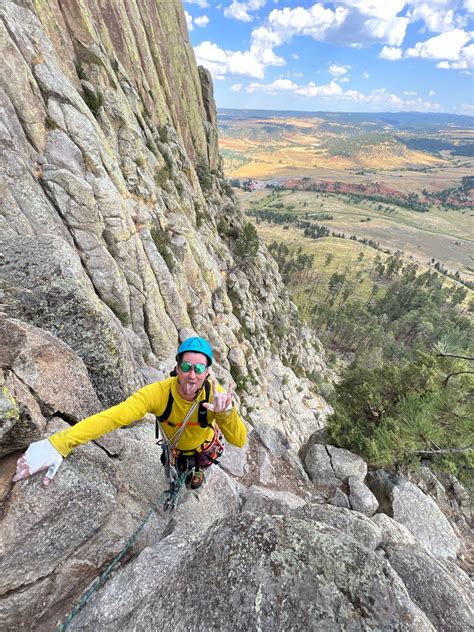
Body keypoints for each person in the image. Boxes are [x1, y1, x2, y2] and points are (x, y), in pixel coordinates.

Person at [12, 336, 247, 491]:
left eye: (198, 369)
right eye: (186, 367)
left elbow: (239, 439)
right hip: (174, 446)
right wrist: (58, 443)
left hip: (202, 447)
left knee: (196, 468)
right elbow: (113, 417)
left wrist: (226, 414)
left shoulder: (216, 399)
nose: (192, 375)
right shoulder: (157, 394)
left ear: (207, 372)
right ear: (177, 368)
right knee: (171, 464)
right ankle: (185, 473)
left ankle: (197, 472)